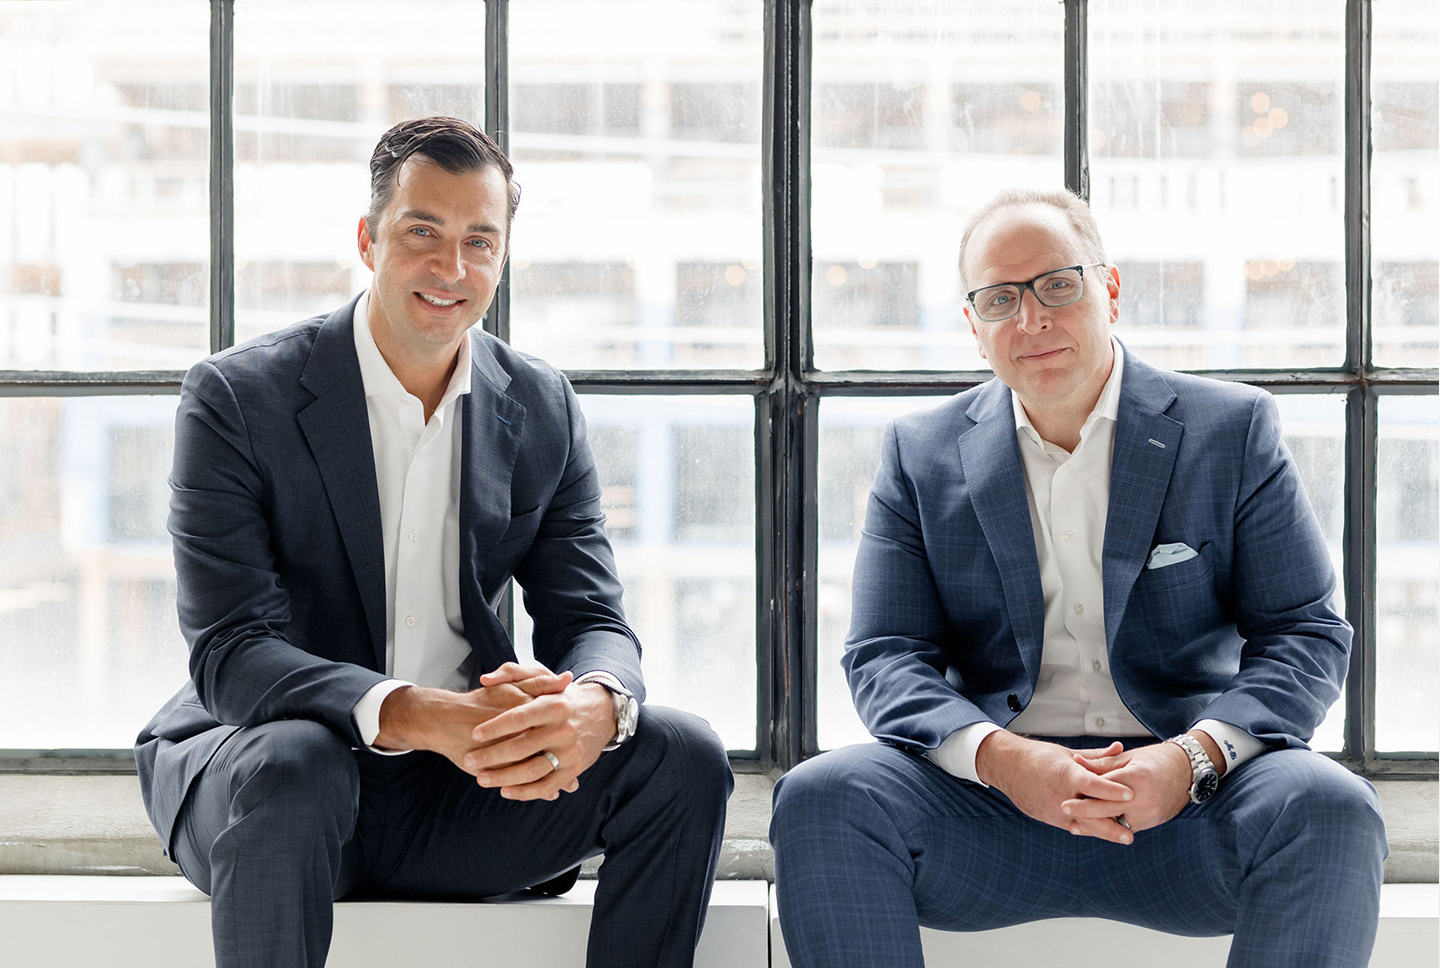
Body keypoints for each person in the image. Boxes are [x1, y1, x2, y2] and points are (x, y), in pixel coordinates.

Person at [135, 116, 733, 968]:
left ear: (502, 257)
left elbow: (592, 614)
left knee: (682, 756)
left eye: (479, 242)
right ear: (368, 240)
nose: (451, 269)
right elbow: (230, 653)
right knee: (300, 759)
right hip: (264, 779)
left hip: (457, 790)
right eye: (424, 233)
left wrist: (597, 702)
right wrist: (420, 713)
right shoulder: (236, 397)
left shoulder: (542, 405)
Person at [770, 188, 1387, 967]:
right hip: (987, 816)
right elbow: (885, 654)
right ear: (974, 324)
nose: (1032, 320)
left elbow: (1305, 634)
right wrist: (1001, 759)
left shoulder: (1230, 430)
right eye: (1000, 299)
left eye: (1057, 285)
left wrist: (1188, 760)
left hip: (1188, 811)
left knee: (1331, 805)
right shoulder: (918, 453)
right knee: (825, 795)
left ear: (1111, 289)